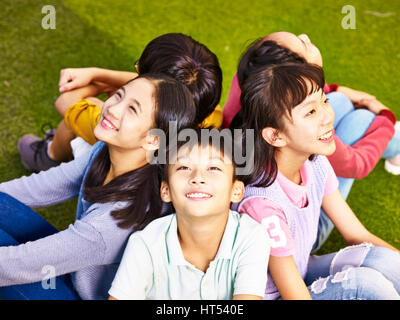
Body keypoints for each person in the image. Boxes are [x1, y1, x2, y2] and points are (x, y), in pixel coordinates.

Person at [0, 73, 196, 300]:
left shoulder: (113, 222)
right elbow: (39, 187)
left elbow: (17, 265)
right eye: (119, 96)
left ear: (153, 140)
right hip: (72, 271)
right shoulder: (106, 150)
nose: (113, 108)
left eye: (132, 109)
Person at [233, 62, 400, 300]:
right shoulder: (262, 205)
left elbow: (355, 233)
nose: (327, 117)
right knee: (366, 285)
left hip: (301, 269)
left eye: (324, 101)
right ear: (275, 135)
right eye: (310, 112)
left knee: (386, 261)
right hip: (278, 295)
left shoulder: (315, 161)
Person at [225, 31, 400, 251]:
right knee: (362, 118)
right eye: (302, 44)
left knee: (342, 102)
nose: (306, 35)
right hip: (302, 234)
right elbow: (357, 165)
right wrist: (385, 116)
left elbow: (357, 234)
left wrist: (339, 93)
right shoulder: (268, 198)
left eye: (322, 101)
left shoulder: (253, 89)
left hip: (284, 166)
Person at [18, 33, 223, 172]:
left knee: (85, 108)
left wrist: (99, 85)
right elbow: (163, 90)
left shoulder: (112, 123)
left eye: (137, 70)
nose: (134, 73)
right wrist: (99, 74)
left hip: (124, 163)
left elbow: (65, 101)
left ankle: (50, 155)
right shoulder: (211, 112)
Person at [108, 127, 270, 300]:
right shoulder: (145, 244)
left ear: (236, 191)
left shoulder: (251, 236)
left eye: (214, 168)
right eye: (183, 167)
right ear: (166, 190)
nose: (198, 177)